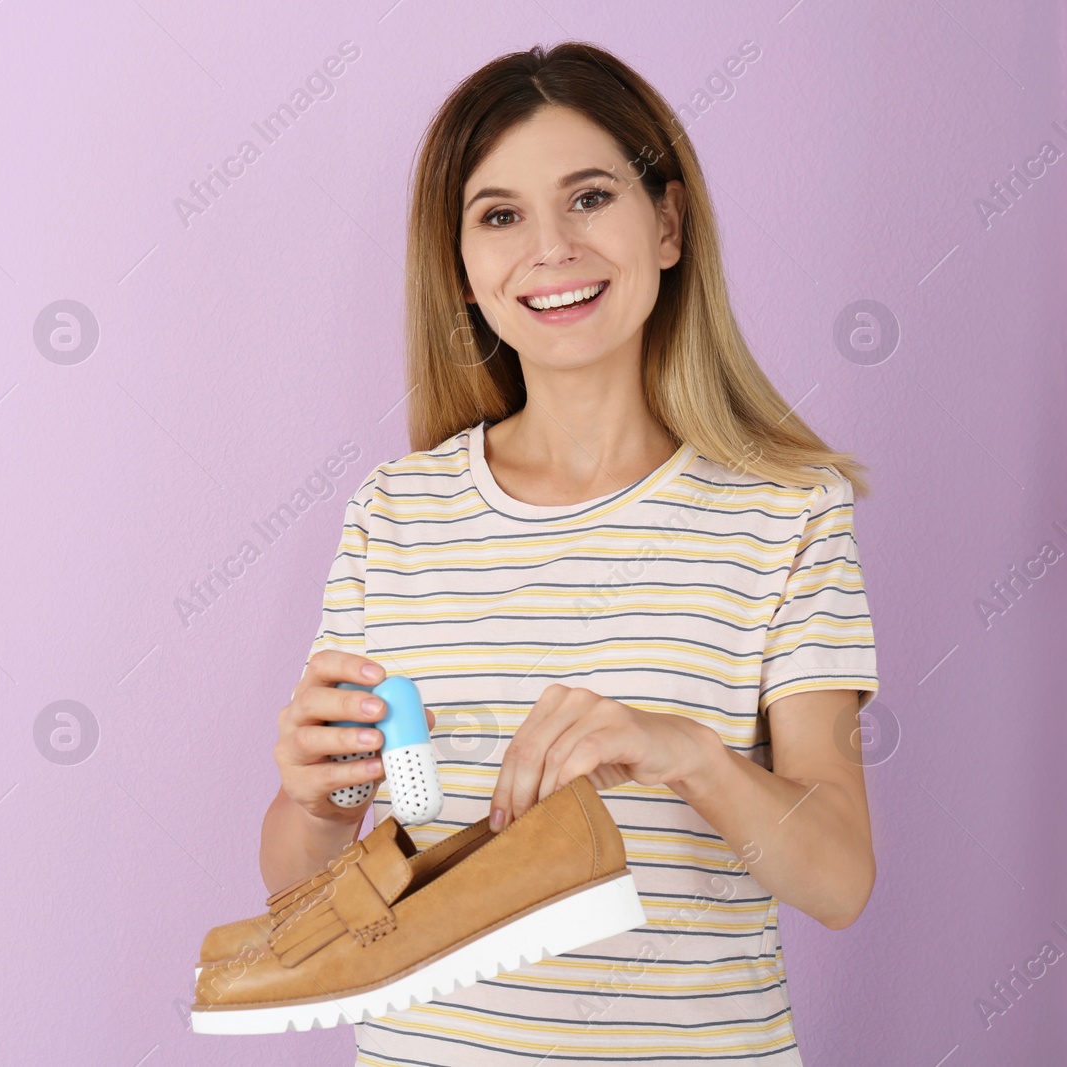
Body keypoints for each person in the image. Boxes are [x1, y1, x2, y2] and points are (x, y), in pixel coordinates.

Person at [259, 41, 879, 1065]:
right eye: (499, 216)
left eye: (589, 197)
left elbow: (839, 876)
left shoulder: (788, 513)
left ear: (667, 223)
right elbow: (299, 892)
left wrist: (684, 749)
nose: (548, 247)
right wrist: (311, 799)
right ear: (461, 270)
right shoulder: (395, 510)